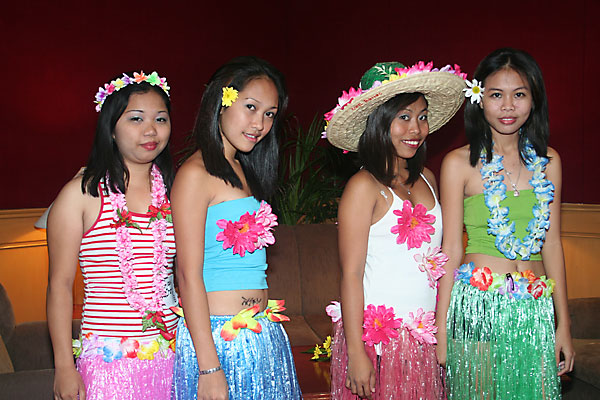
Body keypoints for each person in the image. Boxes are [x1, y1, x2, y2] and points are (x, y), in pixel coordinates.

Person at [437, 47, 575, 399]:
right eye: (497, 95)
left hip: (535, 311)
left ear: (534, 100)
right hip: (478, 307)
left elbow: (552, 243)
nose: (508, 106)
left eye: (519, 95)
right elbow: (450, 249)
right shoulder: (458, 164)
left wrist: (563, 325)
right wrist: (441, 330)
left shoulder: (549, 162)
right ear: (479, 99)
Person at [324, 61, 467, 399]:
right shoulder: (363, 186)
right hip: (379, 342)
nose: (416, 128)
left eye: (422, 116)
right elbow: (351, 274)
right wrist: (356, 352)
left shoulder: (428, 178)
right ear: (379, 122)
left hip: (423, 337)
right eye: (404, 117)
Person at [170, 56, 301, 400]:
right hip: (219, 340)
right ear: (222, 102)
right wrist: (209, 367)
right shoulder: (195, 174)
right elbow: (186, 275)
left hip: (260, 331)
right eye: (251, 107)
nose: (260, 124)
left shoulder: (243, 169)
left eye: (270, 114)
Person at [47, 71, 178, 400]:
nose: (151, 130)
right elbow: (60, 285)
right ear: (111, 128)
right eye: (136, 118)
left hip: (175, 357)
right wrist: (63, 366)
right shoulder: (81, 194)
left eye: (160, 119)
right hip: (109, 364)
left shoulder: (176, 192)